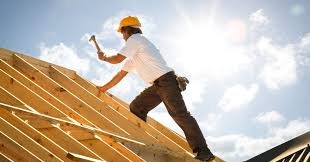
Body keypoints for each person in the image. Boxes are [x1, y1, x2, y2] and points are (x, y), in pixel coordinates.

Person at [96, 16, 215, 161]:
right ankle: (142, 136)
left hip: (167, 82)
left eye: (122, 33)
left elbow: (116, 59)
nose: (122, 37)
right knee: (137, 106)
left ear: (127, 31)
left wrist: (104, 58)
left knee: (179, 114)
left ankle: (203, 151)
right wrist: (103, 88)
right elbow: (120, 75)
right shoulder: (135, 55)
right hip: (157, 86)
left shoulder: (136, 40)